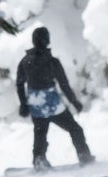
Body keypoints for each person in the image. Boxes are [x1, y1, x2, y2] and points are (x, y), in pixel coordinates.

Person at [16, 24, 94, 167]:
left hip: (35, 103)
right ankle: (84, 155)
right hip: (52, 103)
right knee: (74, 128)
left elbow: (20, 84)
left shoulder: (25, 61)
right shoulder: (52, 61)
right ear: (47, 40)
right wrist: (73, 101)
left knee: (40, 132)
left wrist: (23, 104)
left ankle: (39, 159)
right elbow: (63, 84)